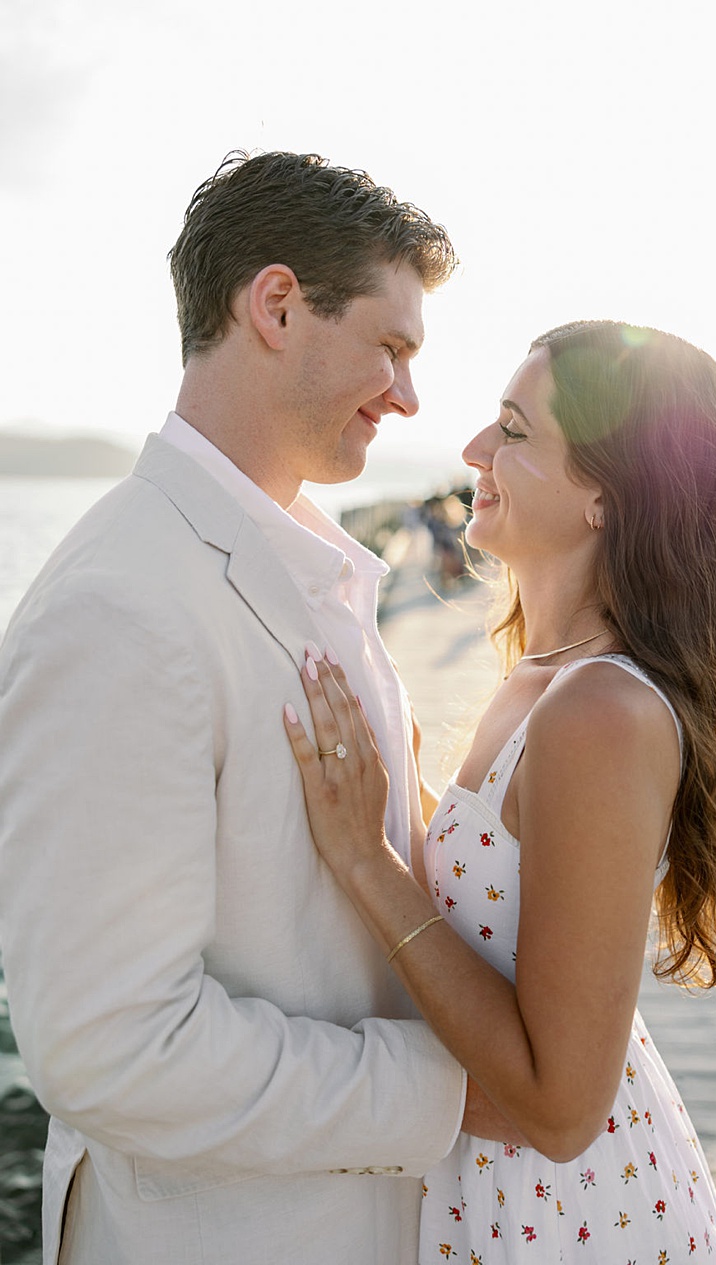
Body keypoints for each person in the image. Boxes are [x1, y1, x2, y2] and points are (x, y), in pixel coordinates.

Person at [0, 151, 500, 1263]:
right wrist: (462, 1084)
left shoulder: (301, 564)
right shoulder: (120, 611)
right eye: (391, 344)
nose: (408, 395)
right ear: (275, 304)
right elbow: (111, 1046)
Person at [280, 320, 716, 1263]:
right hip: (513, 1200)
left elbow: (561, 1107)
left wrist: (366, 858)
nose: (473, 451)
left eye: (512, 429)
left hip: (569, 1215)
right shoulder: (541, 678)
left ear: (604, 496)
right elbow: (502, 904)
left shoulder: (600, 710)